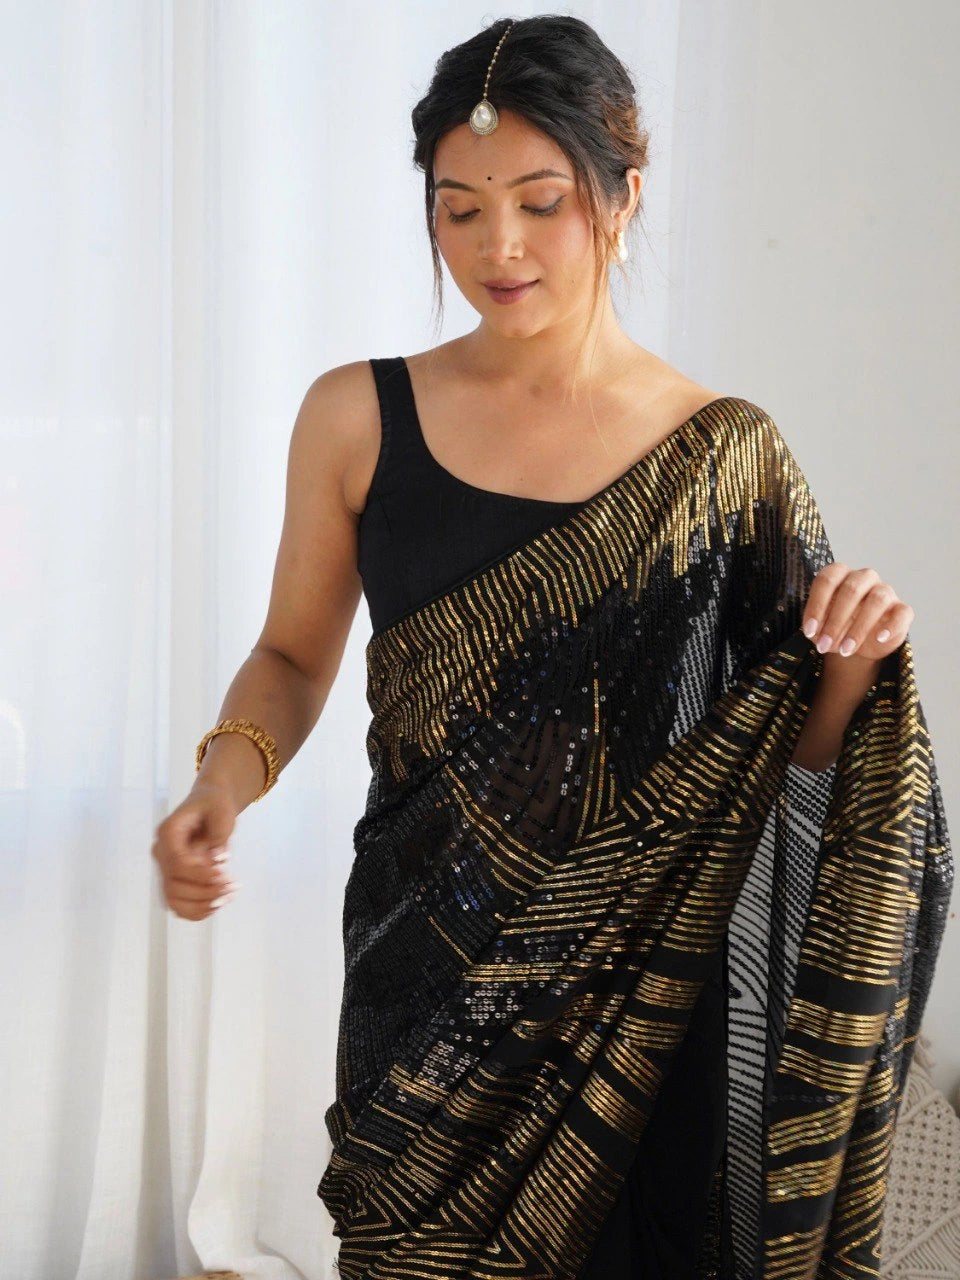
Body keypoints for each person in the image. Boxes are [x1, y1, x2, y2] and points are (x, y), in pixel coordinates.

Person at [151, 16, 953, 1280]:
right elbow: (293, 660)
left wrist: (857, 649)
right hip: (427, 973)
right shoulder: (358, 415)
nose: (498, 247)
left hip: (641, 1000)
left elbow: (790, 745)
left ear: (624, 195)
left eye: (540, 202)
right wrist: (222, 779)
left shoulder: (725, 458)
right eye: (459, 209)